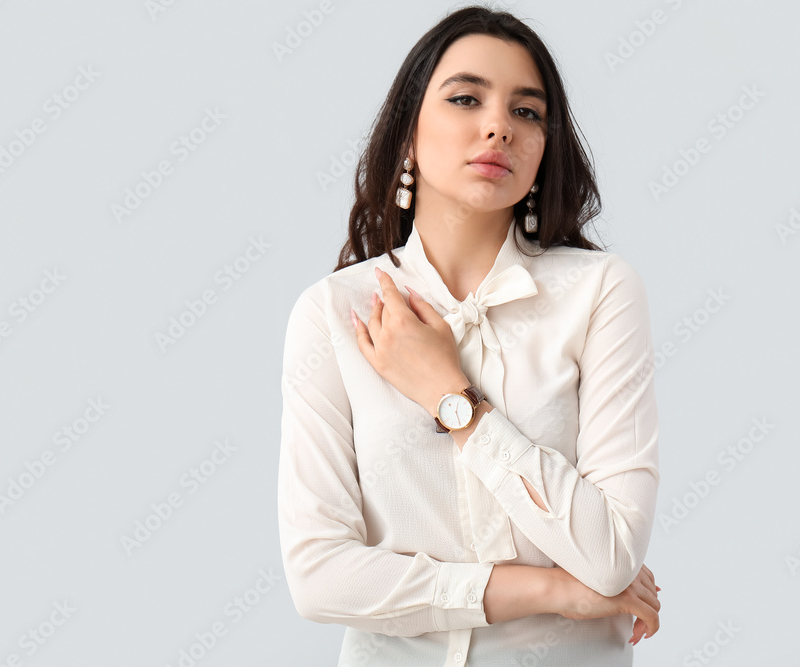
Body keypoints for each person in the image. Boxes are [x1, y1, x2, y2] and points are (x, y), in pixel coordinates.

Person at [278, 6, 662, 665]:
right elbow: (319, 576)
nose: (497, 126)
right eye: (465, 98)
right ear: (407, 134)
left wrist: (454, 400)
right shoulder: (332, 312)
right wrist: (548, 588)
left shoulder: (598, 292)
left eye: (527, 112)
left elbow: (611, 553)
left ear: (545, 147)